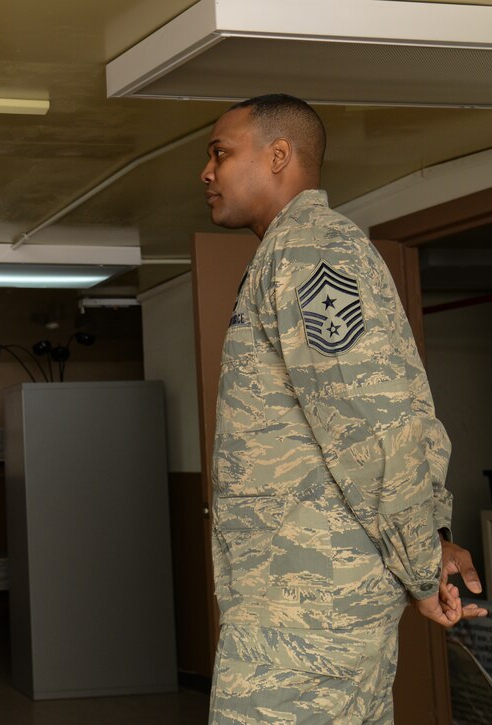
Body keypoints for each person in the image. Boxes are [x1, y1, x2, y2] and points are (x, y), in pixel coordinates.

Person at [200, 93, 487, 724]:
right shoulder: (289, 252)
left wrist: (420, 560)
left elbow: (376, 428)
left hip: (307, 623)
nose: (207, 172)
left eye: (220, 154)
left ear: (279, 156)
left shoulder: (312, 251)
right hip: (299, 610)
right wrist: (426, 546)